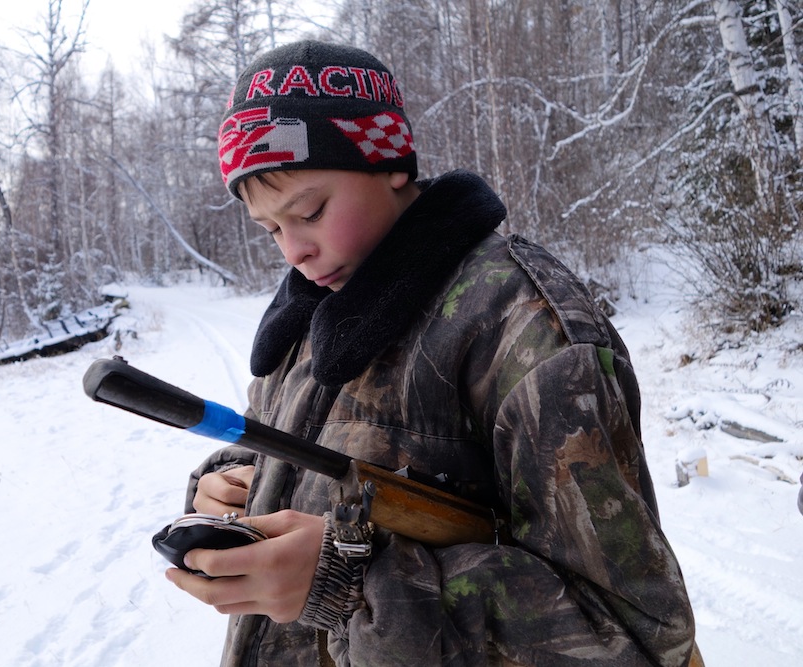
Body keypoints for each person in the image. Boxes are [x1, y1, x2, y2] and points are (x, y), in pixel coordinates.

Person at [164, 40, 697, 667]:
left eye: (309, 211)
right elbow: (309, 447)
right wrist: (236, 484)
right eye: (272, 229)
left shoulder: (524, 326)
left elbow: (631, 635)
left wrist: (350, 586)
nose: (294, 252)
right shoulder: (314, 310)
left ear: (389, 160)